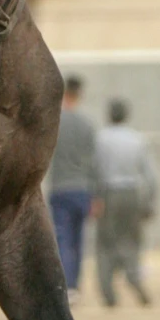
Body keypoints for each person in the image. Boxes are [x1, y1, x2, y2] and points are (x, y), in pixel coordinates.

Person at [92, 99, 157, 307]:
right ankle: (134, 278)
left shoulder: (100, 139)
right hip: (132, 193)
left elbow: (95, 171)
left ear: (109, 115)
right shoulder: (137, 139)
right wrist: (149, 203)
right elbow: (151, 176)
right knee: (131, 240)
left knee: (105, 243)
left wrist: (95, 197)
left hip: (108, 193)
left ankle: (108, 291)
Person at [48, 75, 99, 292]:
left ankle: (65, 285)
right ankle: (75, 285)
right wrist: (96, 195)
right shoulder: (88, 125)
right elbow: (95, 162)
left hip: (60, 187)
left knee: (62, 239)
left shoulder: (54, 123)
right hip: (83, 189)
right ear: (80, 94)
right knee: (78, 241)